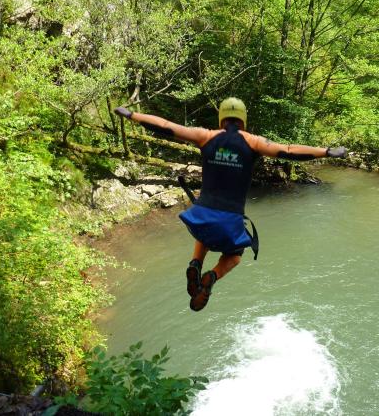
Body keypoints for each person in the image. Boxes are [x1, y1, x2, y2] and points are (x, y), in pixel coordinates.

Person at [114, 98, 346, 311]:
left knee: (205, 232)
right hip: (229, 220)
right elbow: (288, 151)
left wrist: (132, 115)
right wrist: (326, 152)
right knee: (234, 255)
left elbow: (166, 126)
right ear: (243, 120)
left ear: (221, 118)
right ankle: (212, 276)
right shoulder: (253, 142)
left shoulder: (205, 136)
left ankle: (196, 262)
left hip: (200, 215)